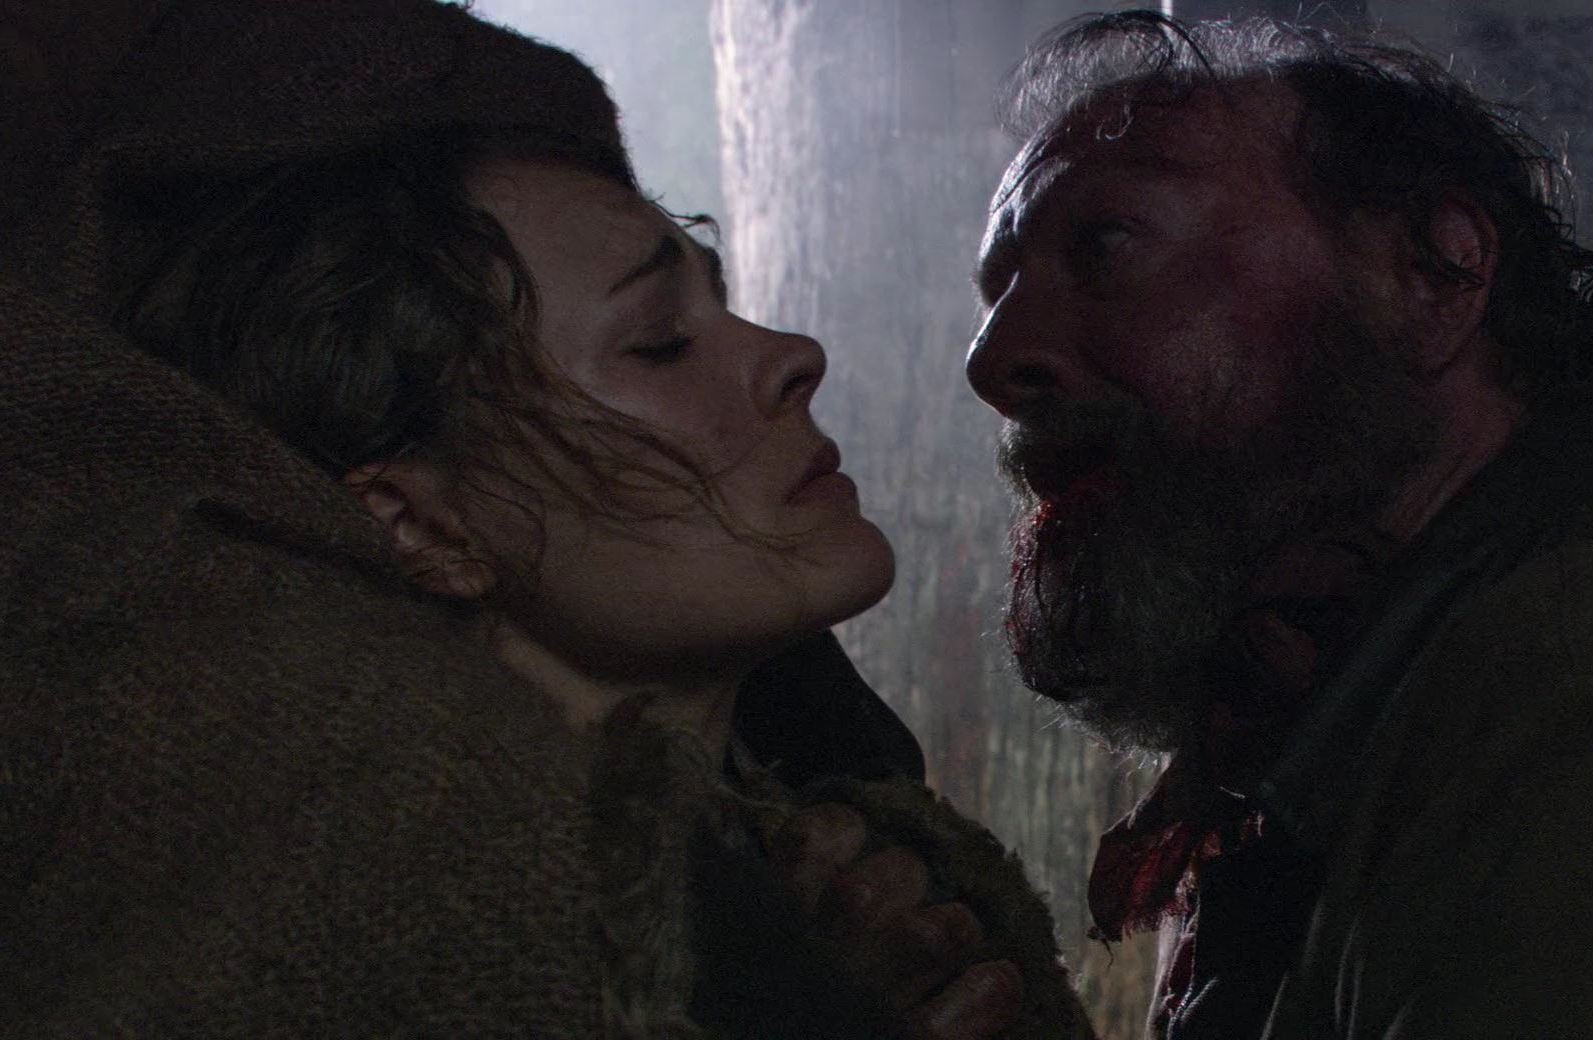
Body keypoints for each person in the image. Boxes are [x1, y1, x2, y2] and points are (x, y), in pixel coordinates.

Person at [0, 1, 1089, 1037]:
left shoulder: (875, 864)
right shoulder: (396, 926)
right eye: (659, 343)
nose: (790, 355)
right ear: (416, 521)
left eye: (720, 299)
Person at [964, 11, 1593, 1039]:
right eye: (997, 290)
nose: (992, 360)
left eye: (1106, 243)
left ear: (1432, 276)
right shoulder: (1324, 752)